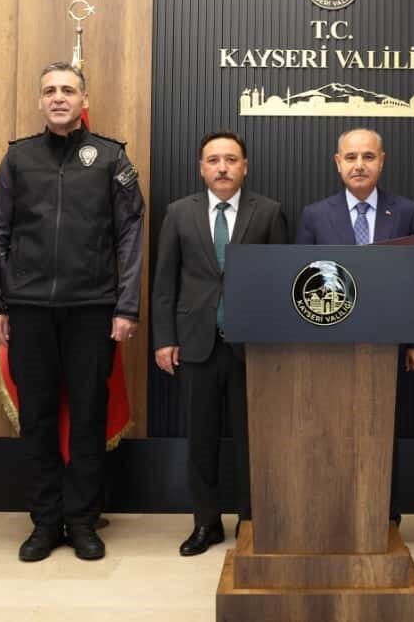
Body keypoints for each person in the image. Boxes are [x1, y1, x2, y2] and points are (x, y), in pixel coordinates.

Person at [0, 62, 144, 562]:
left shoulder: (111, 157)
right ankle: (46, 522)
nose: (58, 97)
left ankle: (83, 520)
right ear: (40, 100)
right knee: (38, 417)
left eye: (68, 90)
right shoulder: (18, 157)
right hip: (28, 309)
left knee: (89, 416)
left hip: (92, 308)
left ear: (83, 99)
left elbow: (130, 235)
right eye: (49, 90)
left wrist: (126, 305)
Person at [151, 130, 287, 556]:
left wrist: (276, 343)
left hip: (252, 347)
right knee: (201, 439)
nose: (222, 167)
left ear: (245, 166)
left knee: (253, 440)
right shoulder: (179, 213)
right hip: (196, 344)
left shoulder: (269, 212)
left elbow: (281, 281)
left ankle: (253, 521)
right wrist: (164, 339)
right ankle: (205, 523)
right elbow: (164, 283)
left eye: (231, 159)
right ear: (201, 168)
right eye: (213, 160)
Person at [295, 127, 414, 525]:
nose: (359, 165)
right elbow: (301, 281)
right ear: (337, 163)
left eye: (368, 157)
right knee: (330, 430)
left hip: (387, 345)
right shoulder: (315, 215)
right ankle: (334, 513)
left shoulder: (407, 212)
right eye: (351, 157)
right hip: (330, 345)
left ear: (382, 161)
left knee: (382, 430)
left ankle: (384, 516)